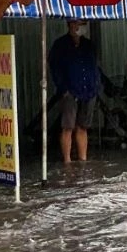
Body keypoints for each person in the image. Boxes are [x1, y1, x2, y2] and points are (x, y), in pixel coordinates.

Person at [48, 19, 100, 163]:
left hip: (88, 90)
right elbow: (54, 67)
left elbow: (94, 65)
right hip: (70, 90)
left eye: (83, 23)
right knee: (68, 127)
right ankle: (67, 161)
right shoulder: (60, 45)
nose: (81, 26)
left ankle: (83, 160)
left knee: (83, 127)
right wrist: (63, 88)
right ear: (71, 24)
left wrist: (95, 85)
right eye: (79, 23)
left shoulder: (88, 45)